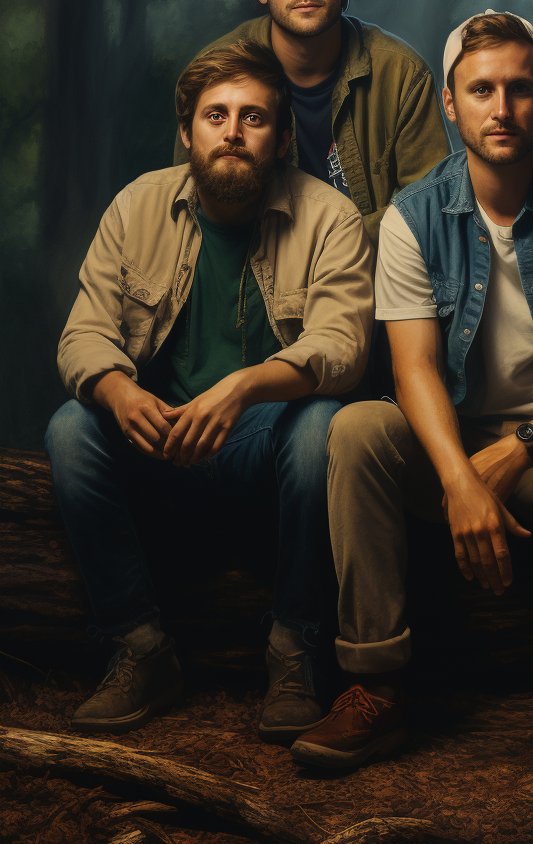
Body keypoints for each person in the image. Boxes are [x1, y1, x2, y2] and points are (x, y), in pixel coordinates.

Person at [289, 10, 533, 773]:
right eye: (483, 89)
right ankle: (375, 686)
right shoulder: (411, 216)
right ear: (449, 103)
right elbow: (414, 370)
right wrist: (463, 476)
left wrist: (516, 453)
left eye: (522, 89)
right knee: (358, 427)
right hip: (448, 454)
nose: (503, 108)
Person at [46, 41, 375, 742]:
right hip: (159, 437)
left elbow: (343, 347)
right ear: (189, 131)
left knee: (325, 423)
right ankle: (138, 646)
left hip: (267, 444)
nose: (232, 132)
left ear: (282, 138)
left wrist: (246, 388)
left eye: (253, 118)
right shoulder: (136, 205)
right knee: (70, 428)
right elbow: (82, 336)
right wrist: (119, 392)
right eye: (216, 116)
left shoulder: (329, 217)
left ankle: (295, 651)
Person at [173, 0, 450, 243]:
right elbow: (190, 204)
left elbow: (431, 203)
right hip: (254, 278)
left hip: (370, 281)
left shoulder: (401, 75)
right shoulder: (215, 73)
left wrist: (329, 245)